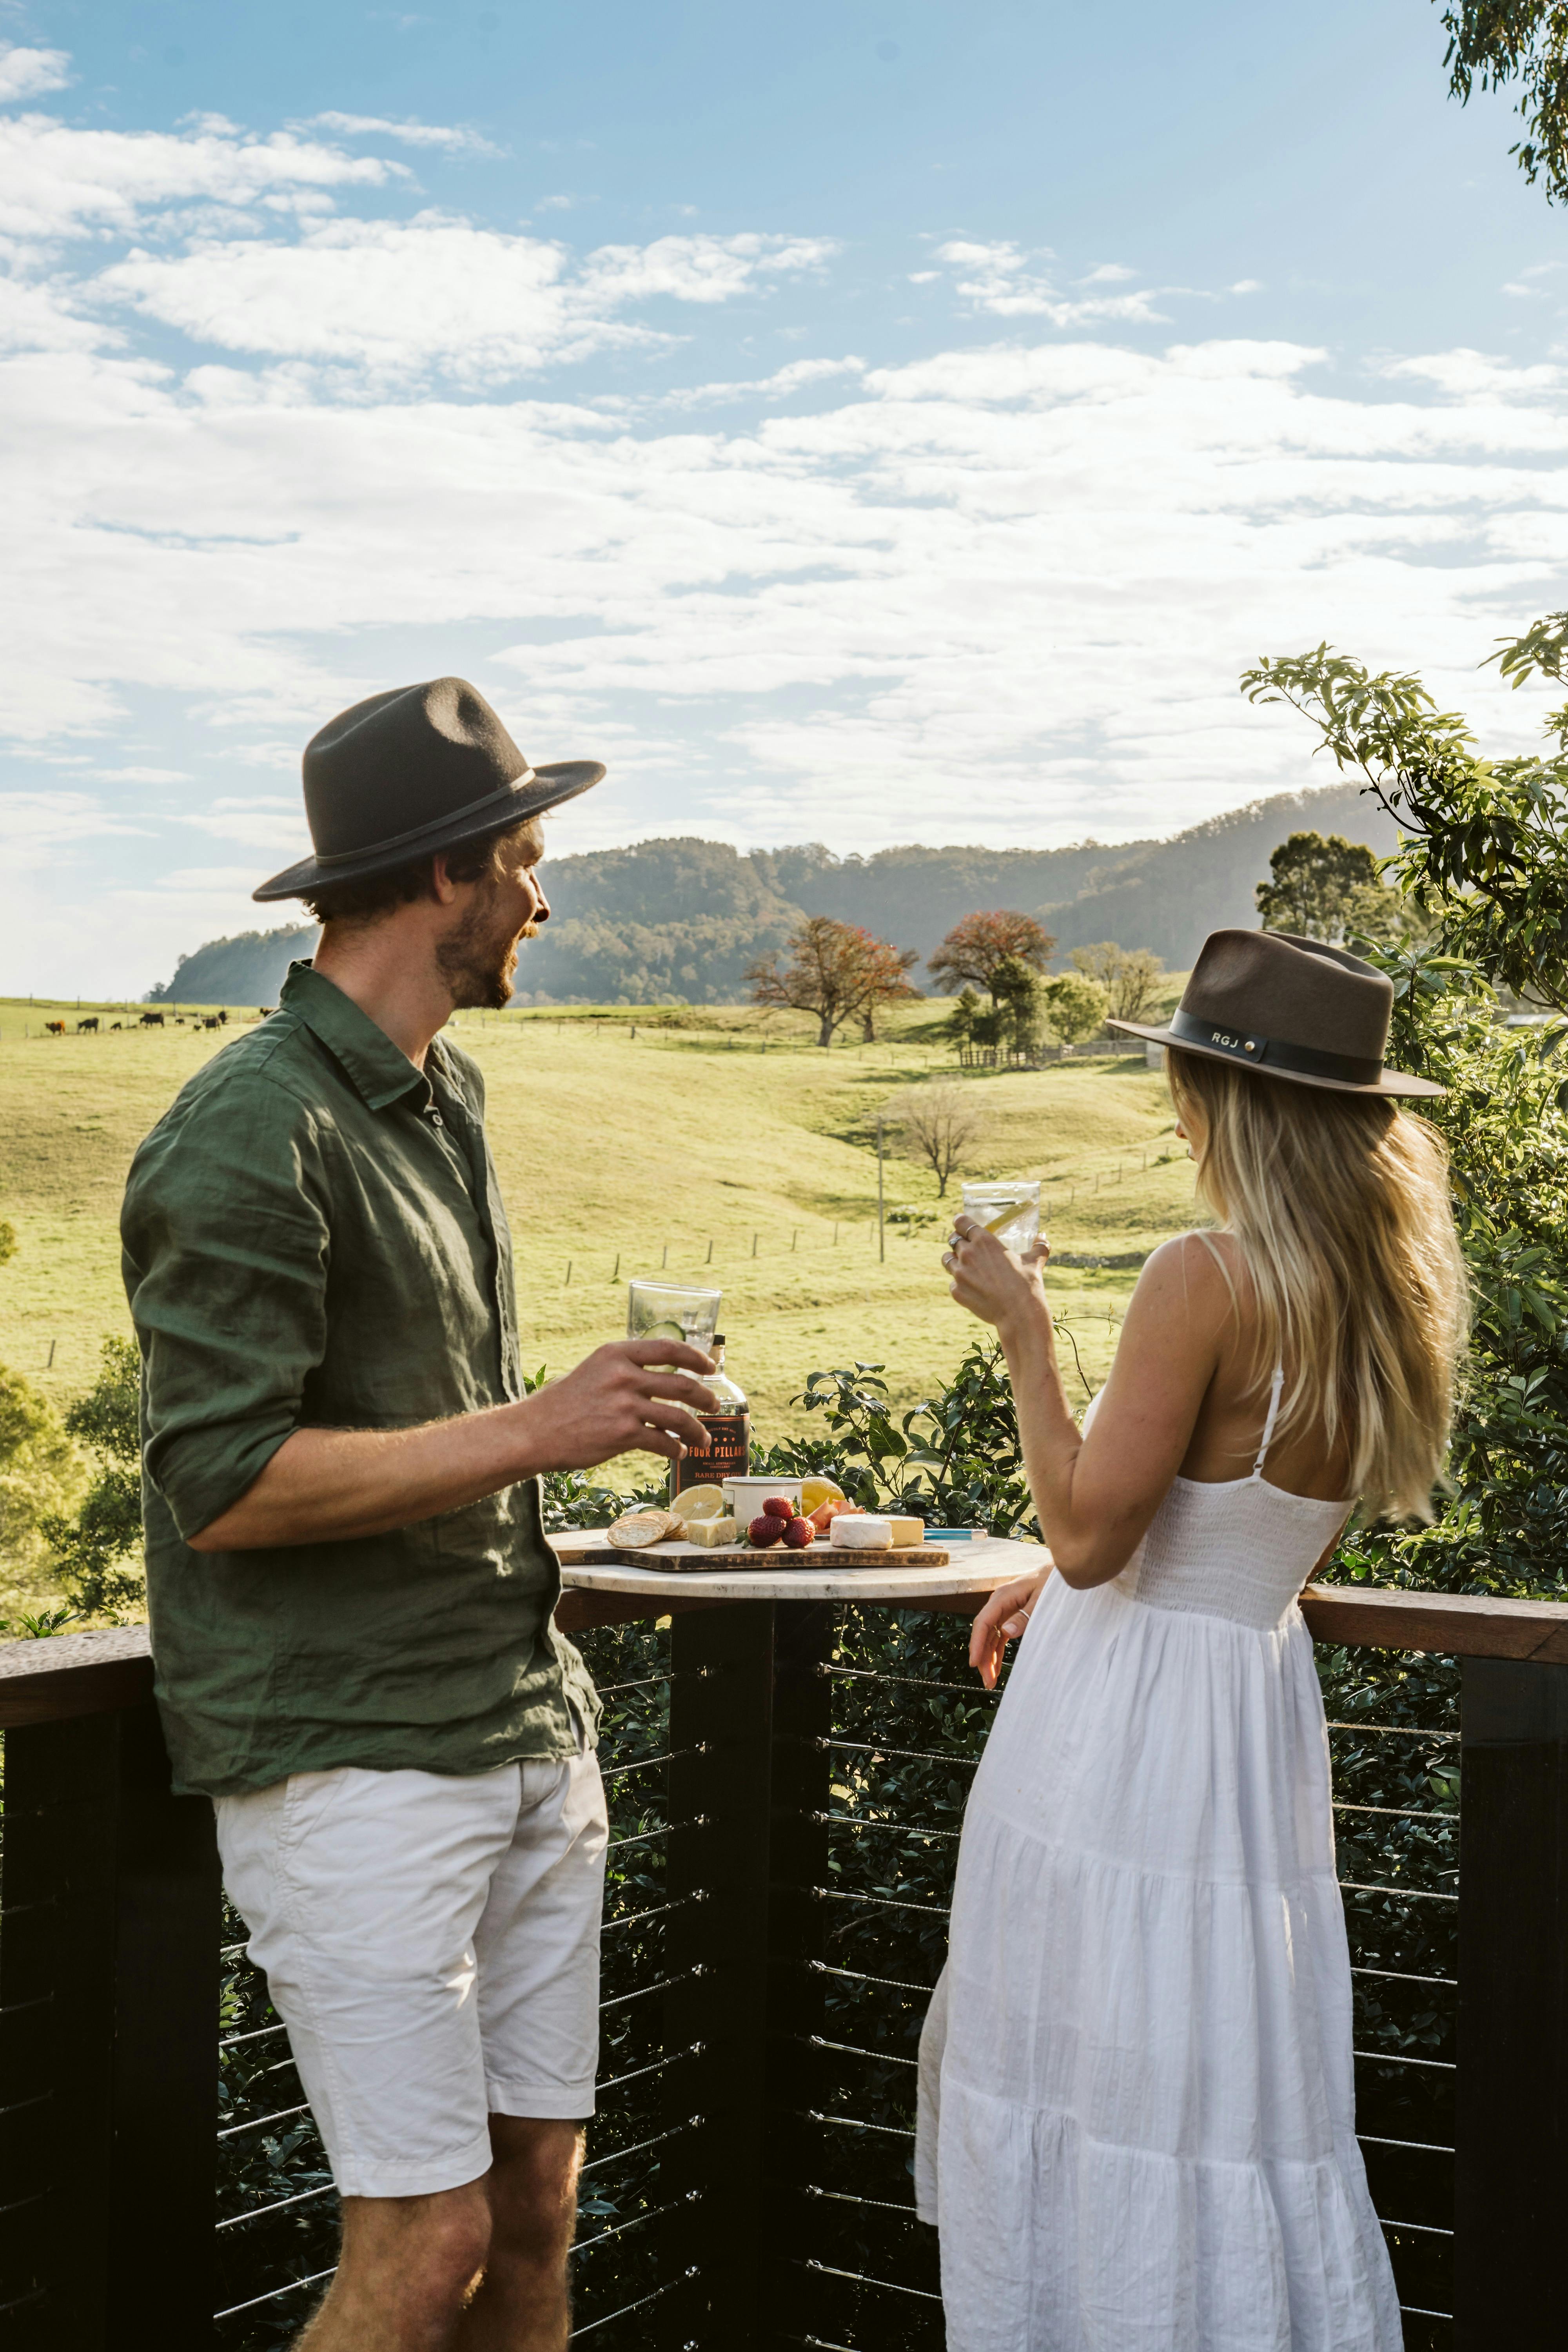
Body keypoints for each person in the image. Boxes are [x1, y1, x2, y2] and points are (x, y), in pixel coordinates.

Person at [121, 679, 717, 2352]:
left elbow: (436, 1435)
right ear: (449, 873)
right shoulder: (252, 1125)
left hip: (524, 1720)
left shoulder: (441, 1099)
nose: (544, 892)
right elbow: (224, 1484)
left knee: (535, 2207)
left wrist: (585, 1486)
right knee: (426, 2238)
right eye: (526, 856)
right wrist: (546, 1426)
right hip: (354, 1759)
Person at [916, 929, 1467, 2352]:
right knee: (1219, 2076)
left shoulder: (1202, 1275)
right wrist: (1082, 1576)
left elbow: (1101, 1533)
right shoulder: (1384, 1304)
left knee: (1089, 2063)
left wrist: (1027, 1337)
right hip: (1247, 1724)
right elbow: (1260, 1544)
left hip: (1119, 1738)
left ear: (1222, 1098)